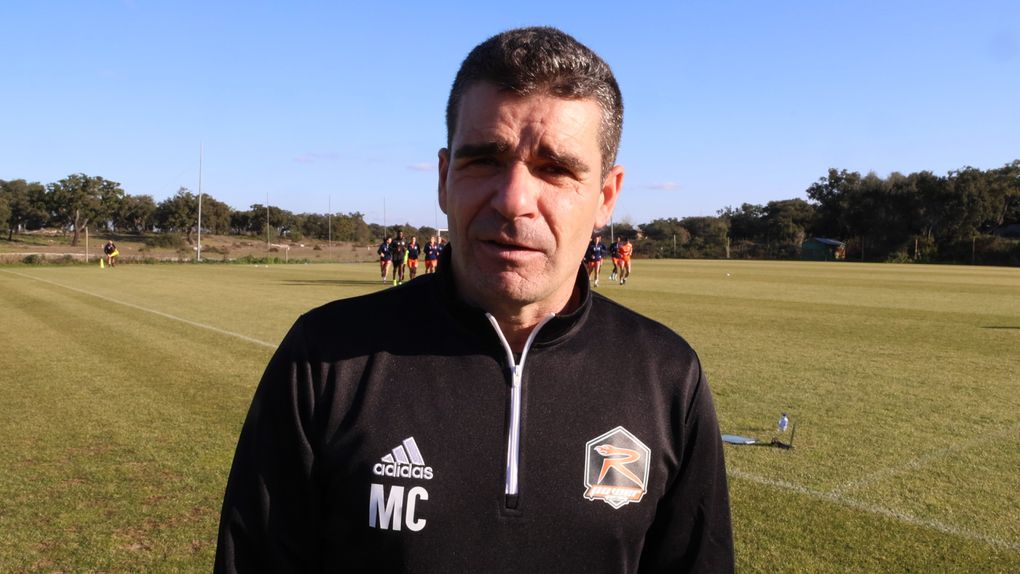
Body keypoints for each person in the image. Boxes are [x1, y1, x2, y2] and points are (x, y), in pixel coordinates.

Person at [216, 26, 732, 573]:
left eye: (556, 169)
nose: (513, 200)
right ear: (444, 179)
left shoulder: (667, 374)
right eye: (484, 160)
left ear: (606, 196)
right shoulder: (323, 358)